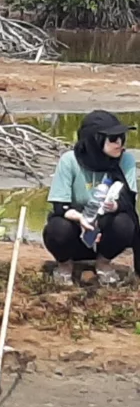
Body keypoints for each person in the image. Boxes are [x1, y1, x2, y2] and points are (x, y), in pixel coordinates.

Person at [43, 111, 139, 286]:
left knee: (126, 223)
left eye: (121, 137)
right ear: (94, 140)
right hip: (76, 232)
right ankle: (64, 265)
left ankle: (103, 262)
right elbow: (60, 206)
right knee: (57, 228)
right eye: (113, 139)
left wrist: (114, 206)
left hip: (105, 233)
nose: (119, 143)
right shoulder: (69, 161)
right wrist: (81, 219)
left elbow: (129, 202)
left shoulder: (126, 160)